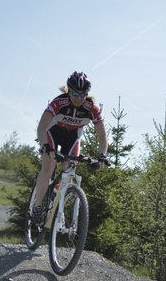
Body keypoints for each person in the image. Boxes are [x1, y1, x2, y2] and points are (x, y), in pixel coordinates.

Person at [31, 71, 109, 222]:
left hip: (72, 138)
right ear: (69, 90)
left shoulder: (92, 108)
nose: (78, 98)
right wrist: (45, 145)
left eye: (83, 94)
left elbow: (102, 137)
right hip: (52, 134)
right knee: (49, 165)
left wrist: (102, 155)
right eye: (74, 93)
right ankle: (38, 206)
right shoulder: (59, 103)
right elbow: (42, 127)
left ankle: (58, 201)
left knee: (70, 170)